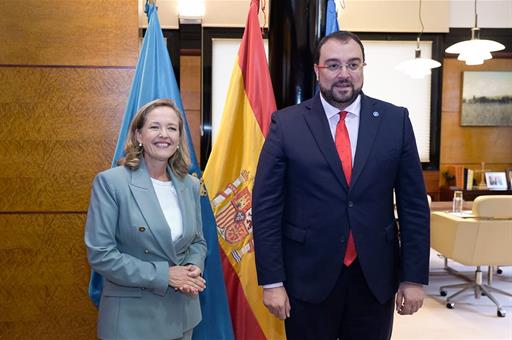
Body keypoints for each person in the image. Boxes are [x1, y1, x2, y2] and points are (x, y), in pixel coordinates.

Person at [252, 31, 430, 340]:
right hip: (306, 277)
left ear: (363, 68)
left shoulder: (395, 121)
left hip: (374, 277)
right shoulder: (287, 123)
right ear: (317, 70)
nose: (344, 74)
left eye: (353, 64)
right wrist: (272, 282)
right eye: (333, 65)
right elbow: (266, 207)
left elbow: (414, 206)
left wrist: (413, 278)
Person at [84, 98, 207, 340]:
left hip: (182, 316)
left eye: (172, 128)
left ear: (179, 138)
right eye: (155, 127)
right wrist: (165, 275)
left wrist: (193, 268)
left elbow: (197, 241)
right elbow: (101, 254)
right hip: (133, 321)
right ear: (139, 135)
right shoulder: (112, 183)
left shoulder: (190, 184)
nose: (164, 135)